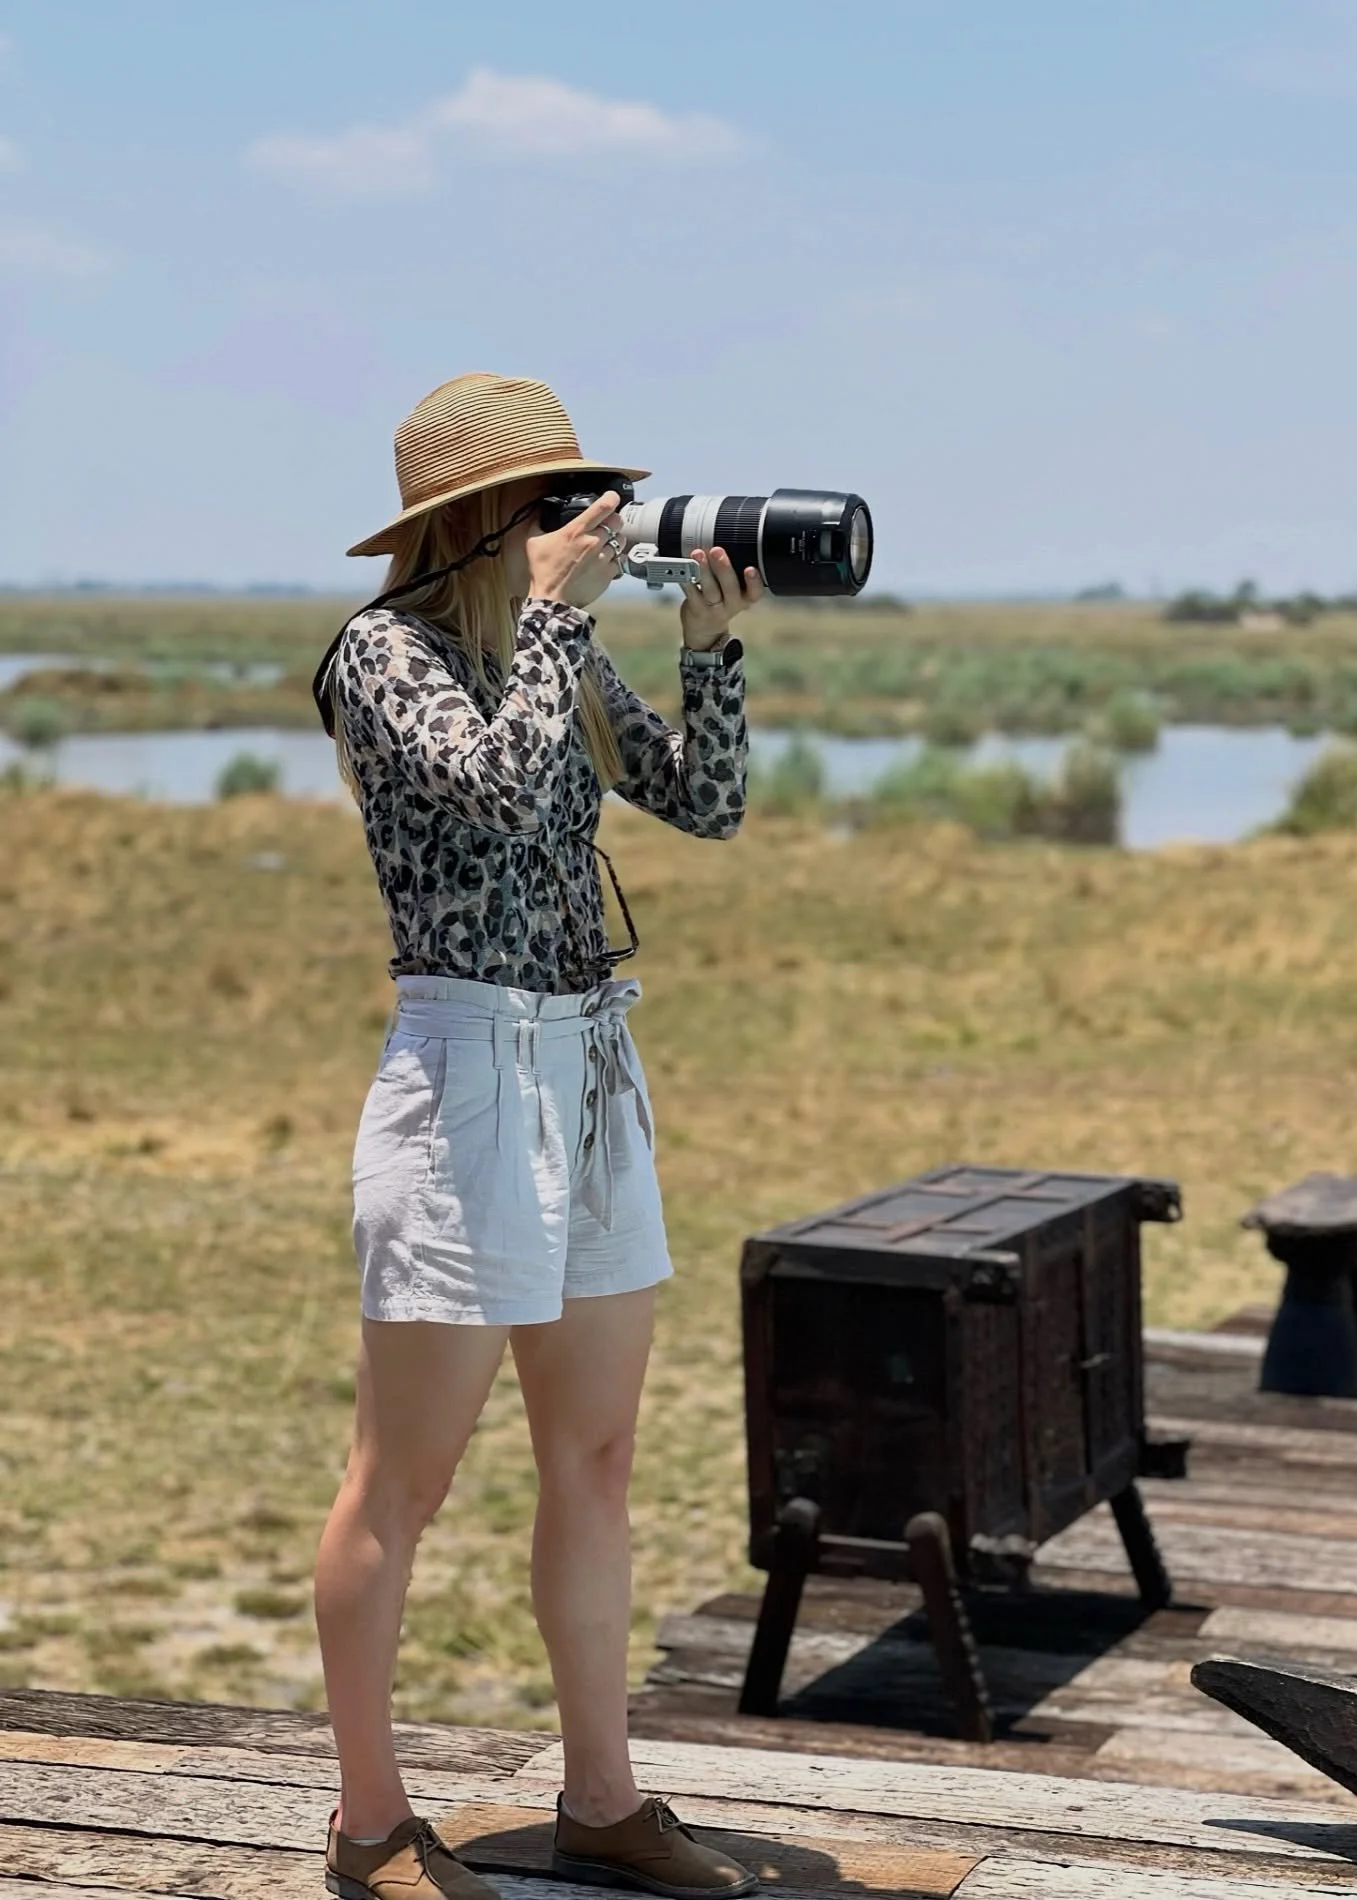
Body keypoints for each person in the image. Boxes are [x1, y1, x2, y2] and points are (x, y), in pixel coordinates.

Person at [312, 373, 760, 1900]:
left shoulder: (550, 656)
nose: (585, 526)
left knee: (601, 1454)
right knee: (404, 1481)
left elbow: (705, 805)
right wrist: (566, 617)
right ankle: (369, 1825)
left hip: (589, 1058)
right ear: (473, 522)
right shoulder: (386, 654)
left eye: (590, 500)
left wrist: (714, 650)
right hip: (467, 1078)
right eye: (555, 503)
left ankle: (604, 1801)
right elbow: (499, 793)